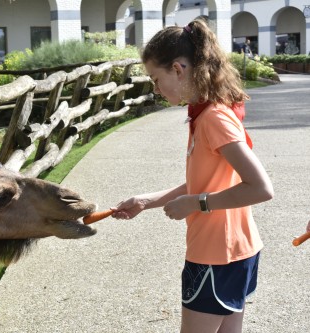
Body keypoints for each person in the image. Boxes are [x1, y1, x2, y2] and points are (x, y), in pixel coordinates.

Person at [111, 19, 274, 333]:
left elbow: (260, 188)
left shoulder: (213, 118)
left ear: (177, 69)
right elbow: (208, 183)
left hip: (216, 256)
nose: (156, 89)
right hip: (235, 250)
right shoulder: (204, 113)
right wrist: (148, 201)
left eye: (156, 79)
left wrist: (197, 204)